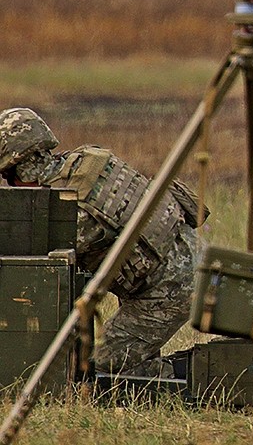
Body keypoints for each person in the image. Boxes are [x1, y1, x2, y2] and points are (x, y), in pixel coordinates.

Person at [0, 107, 201, 377]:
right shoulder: (85, 160)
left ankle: (202, 378)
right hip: (185, 254)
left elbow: (38, 271)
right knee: (126, 362)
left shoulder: (69, 210)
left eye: (8, 177)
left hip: (170, 288)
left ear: (20, 170)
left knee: (95, 370)